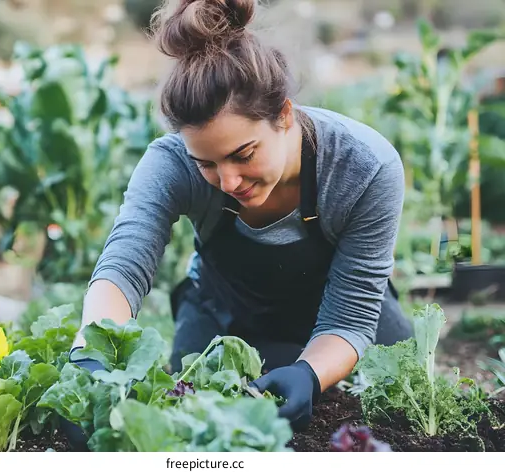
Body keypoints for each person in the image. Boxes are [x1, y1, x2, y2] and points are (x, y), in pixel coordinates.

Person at [66, 0, 413, 447]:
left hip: (340, 329)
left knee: (381, 406)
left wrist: (309, 374)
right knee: (199, 407)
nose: (228, 180)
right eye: (206, 164)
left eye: (243, 154)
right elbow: (124, 264)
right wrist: (94, 348)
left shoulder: (364, 166)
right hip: (227, 317)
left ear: (284, 116)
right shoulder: (170, 164)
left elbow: (352, 313)